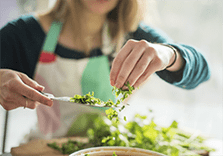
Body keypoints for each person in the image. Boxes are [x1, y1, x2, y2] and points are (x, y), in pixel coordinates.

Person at [0, 0, 210, 140]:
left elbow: (203, 70)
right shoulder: (25, 33)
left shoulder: (135, 33)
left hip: (109, 147)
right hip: (45, 148)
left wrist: (169, 54)